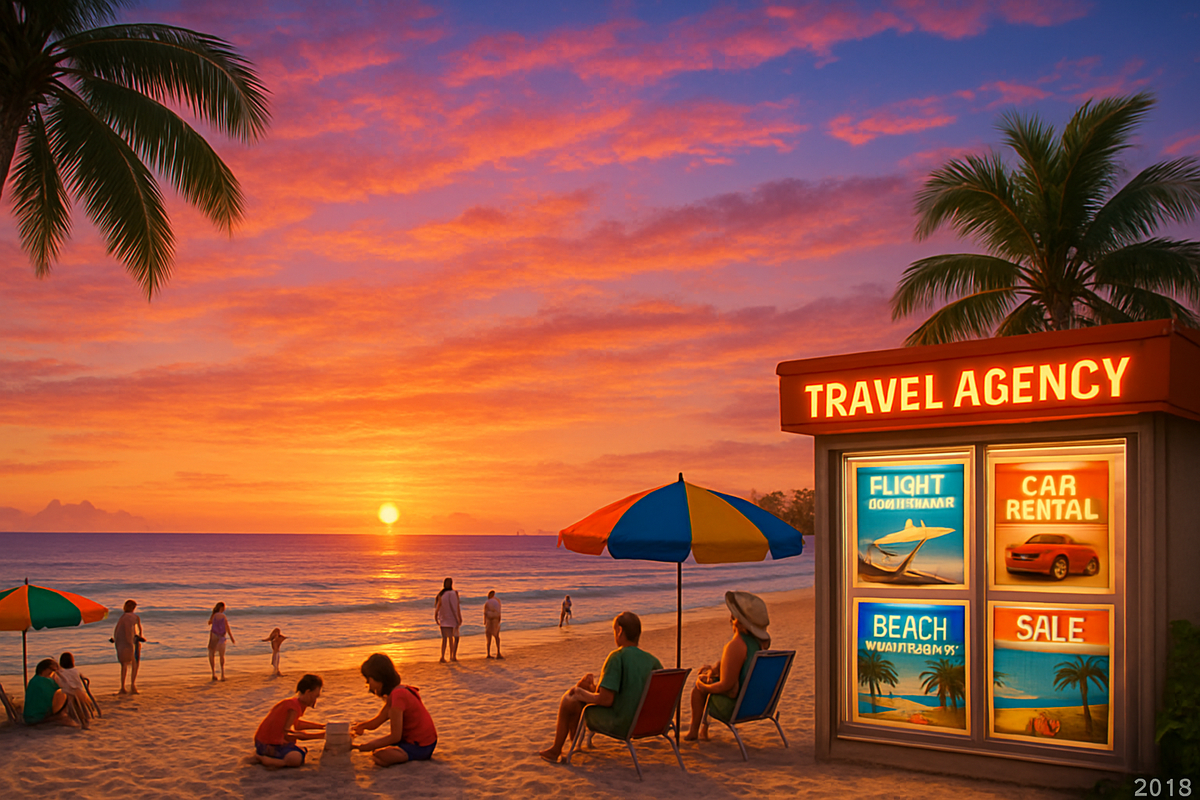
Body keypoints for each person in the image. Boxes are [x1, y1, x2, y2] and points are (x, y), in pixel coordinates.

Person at [538, 611, 661, 763]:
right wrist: (588, 689)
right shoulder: (653, 661)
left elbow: (606, 700)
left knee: (570, 700)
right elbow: (631, 690)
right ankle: (572, 745)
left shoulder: (617, 657)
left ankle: (557, 749)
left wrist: (581, 694)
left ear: (620, 631)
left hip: (622, 722)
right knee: (581, 690)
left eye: (614, 631)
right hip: (647, 721)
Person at [684, 591, 771, 741]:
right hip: (757, 704)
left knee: (698, 687)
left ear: (735, 619)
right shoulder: (758, 644)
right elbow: (739, 670)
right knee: (709, 677)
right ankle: (703, 730)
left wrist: (704, 687)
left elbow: (727, 686)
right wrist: (715, 669)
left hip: (735, 707)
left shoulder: (736, 645)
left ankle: (693, 732)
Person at [352, 653, 438, 766]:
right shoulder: (396, 692)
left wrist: (370, 745)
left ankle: (409, 755)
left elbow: (395, 736)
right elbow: (378, 721)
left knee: (379, 756)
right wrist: (361, 726)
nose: (367, 683)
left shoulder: (399, 696)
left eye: (368, 679)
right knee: (379, 753)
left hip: (421, 745)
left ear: (378, 678)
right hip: (416, 741)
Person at [253, 673, 326, 768]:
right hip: (269, 745)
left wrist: (321, 726)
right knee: (295, 759)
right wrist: (322, 735)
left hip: (261, 742)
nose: (315, 700)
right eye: (315, 696)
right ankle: (263, 759)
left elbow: (297, 725)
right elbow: (287, 733)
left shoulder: (295, 703)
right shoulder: (294, 707)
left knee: (298, 750)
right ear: (308, 693)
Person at [23, 658, 80, 728]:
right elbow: (55, 696)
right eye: (53, 670)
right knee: (66, 695)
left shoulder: (33, 680)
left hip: (28, 717)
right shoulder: (46, 681)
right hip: (39, 717)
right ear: (46, 669)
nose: (53, 672)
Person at [54, 652, 95, 724]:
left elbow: (59, 684)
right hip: (80, 693)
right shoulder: (75, 671)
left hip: (68, 695)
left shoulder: (60, 673)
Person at [112, 598, 143, 694]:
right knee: (134, 663)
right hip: (131, 642)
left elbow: (117, 632)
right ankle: (133, 685)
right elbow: (138, 629)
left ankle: (123, 687)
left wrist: (116, 640)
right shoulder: (134, 617)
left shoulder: (122, 617)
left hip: (121, 643)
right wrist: (138, 638)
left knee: (124, 665)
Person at [434, 578, 462, 663]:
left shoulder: (441, 594)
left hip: (443, 619)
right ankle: (452, 656)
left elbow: (437, 607)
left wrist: (436, 618)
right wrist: (458, 618)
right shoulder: (453, 593)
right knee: (452, 638)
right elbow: (455, 607)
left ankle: (442, 656)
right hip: (451, 619)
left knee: (444, 639)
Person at [208, 602, 236, 681]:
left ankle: (213, 673)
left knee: (211, 654)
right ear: (222, 608)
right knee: (221, 656)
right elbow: (227, 628)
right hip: (222, 637)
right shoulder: (223, 616)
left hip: (214, 636)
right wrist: (232, 638)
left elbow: (209, 622)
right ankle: (222, 674)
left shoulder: (214, 615)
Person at [483, 590, 503, 659]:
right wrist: (499, 619)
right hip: (495, 617)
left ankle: (488, 653)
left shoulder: (488, 602)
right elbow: (499, 611)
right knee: (496, 635)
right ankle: (498, 652)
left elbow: (485, 611)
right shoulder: (497, 601)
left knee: (489, 636)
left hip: (489, 617)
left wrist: (484, 620)